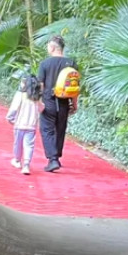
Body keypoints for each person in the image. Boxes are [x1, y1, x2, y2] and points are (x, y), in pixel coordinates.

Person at [37, 35, 78, 172]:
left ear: (53, 47)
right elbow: (74, 86)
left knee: (47, 129)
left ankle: (53, 159)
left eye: (48, 46)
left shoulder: (45, 64)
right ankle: (56, 157)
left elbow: (41, 85)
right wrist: (74, 103)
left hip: (48, 101)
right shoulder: (71, 63)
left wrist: (39, 101)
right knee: (60, 129)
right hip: (64, 102)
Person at [6, 74, 42, 175]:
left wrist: (9, 118)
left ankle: (17, 160)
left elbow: (14, 107)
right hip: (32, 125)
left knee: (18, 143)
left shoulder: (20, 94)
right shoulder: (36, 97)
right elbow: (41, 108)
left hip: (19, 124)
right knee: (29, 145)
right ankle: (26, 165)